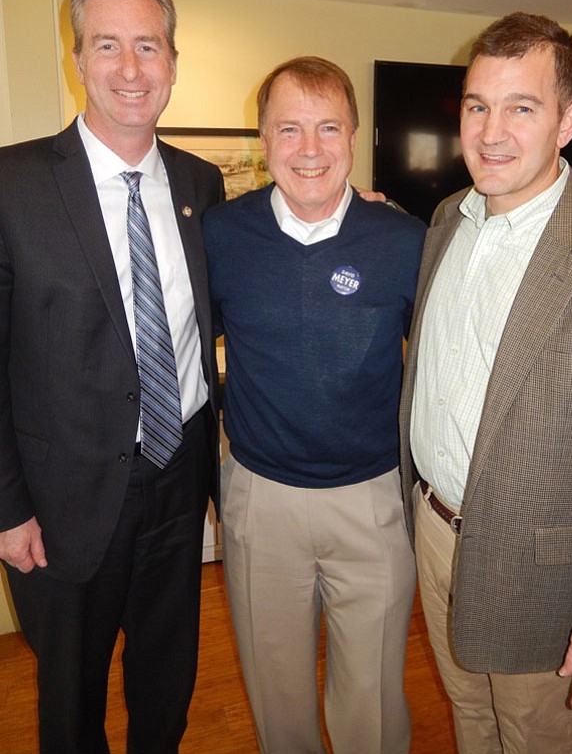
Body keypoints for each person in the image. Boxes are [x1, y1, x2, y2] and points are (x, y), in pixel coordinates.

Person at [399, 11, 572, 754]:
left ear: (568, 121)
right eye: (478, 105)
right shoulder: (448, 218)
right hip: (436, 532)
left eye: (522, 107)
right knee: (469, 716)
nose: (491, 131)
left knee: (534, 736)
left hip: (540, 568)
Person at [0, 0, 224, 754]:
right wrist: (1, 506)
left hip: (178, 479)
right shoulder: (5, 182)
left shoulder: (202, 182)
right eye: (108, 46)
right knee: (70, 699)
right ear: (78, 60)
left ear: (173, 61)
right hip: (61, 500)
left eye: (148, 46)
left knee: (167, 676)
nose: (131, 69)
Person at [202, 56, 426, 754]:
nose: (309, 149)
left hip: (373, 500)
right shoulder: (218, 235)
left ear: (354, 134)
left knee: (375, 702)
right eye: (289, 128)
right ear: (263, 140)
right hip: (261, 498)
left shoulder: (406, 240)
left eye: (329, 127)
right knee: (279, 694)